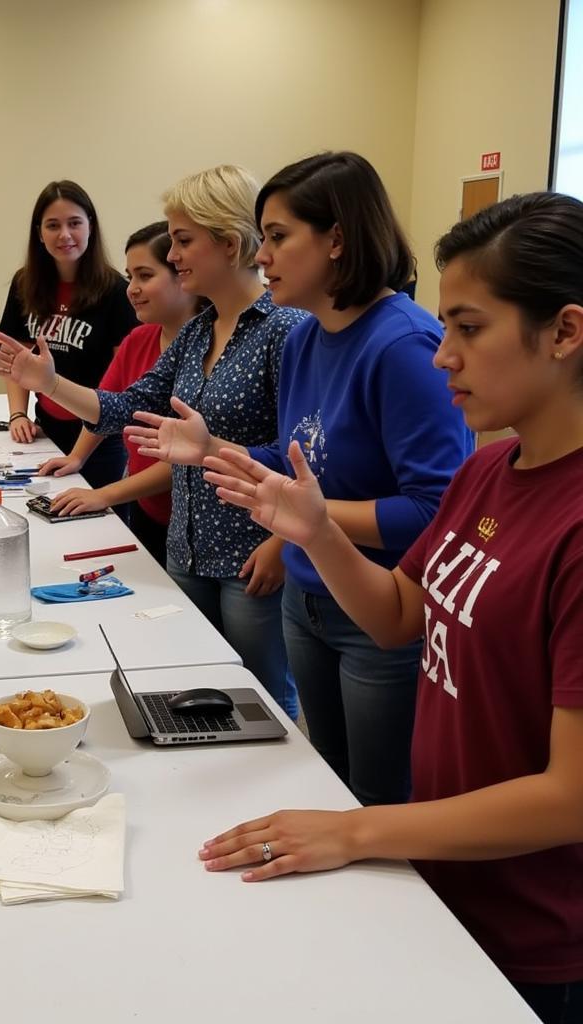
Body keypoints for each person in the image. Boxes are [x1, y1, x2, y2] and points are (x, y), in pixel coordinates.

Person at [199, 192, 583, 1024]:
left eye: (469, 329)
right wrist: (319, 533)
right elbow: (399, 616)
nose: (442, 356)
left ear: (564, 332)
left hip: (536, 938)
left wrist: (362, 829)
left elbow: (570, 795)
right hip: (441, 885)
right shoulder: (489, 473)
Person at [125, 153, 472, 802]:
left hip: (379, 612)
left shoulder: (402, 346)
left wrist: (312, 521)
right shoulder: (307, 339)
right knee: (326, 780)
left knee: (376, 798)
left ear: (336, 239)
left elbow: (436, 515)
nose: (263, 256)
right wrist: (212, 449)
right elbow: (299, 466)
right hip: (306, 599)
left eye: (279, 237)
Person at [0, 166, 306, 717]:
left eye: (183, 241)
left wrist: (284, 542)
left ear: (228, 244)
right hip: (187, 547)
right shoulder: (201, 330)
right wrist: (49, 383)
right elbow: (125, 407)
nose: (175, 256)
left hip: (251, 554)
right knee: (193, 686)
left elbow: (303, 459)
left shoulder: (287, 329)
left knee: (262, 703)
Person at [39, 221, 202, 564]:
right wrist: (77, 457)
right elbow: (107, 405)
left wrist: (103, 494)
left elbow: (183, 461)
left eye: (145, 276)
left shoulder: (206, 349)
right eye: (130, 277)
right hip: (148, 509)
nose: (132, 289)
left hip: (192, 519)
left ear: (184, 277)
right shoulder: (140, 339)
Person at [0, 180, 137, 494]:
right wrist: (18, 413)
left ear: (91, 227)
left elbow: (119, 385)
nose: (65, 235)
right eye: (53, 225)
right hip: (46, 429)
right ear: (39, 233)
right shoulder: (25, 283)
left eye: (74, 223)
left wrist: (79, 454)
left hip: (99, 439)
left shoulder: (116, 291)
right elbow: (15, 358)